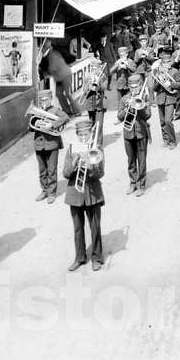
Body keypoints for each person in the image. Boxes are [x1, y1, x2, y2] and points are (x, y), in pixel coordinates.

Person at [63, 116, 105, 271]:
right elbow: (65, 174)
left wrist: (91, 166)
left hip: (92, 193)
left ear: (90, 135)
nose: (82, 138)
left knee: (95, 226)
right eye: (80, 135)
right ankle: (79, 257)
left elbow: (101, 173)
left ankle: (97, 257)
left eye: (85, 135)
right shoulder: (72, 149)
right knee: (77, 228)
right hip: (75, 193)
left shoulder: (97, 149)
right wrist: (74, 163)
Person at [32, 93, 67, 203]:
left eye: (46, 99)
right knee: (42, 170)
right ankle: (44, 190)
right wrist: (35, 122)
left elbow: (66, 117)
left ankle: (52, 193)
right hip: (39, 144)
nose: (44, 102)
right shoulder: (36, 112)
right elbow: (30, 127)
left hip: (52, 143)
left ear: (50, 99)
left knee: (51, 170)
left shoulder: (56, 110)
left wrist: (52, 125)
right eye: (41, 100)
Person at [151, 47, 180, 149]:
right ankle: (166, 140)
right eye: (164, 63)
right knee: (162, 121)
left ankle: (172, 141)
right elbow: (154, 88)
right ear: (161, 63)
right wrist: (159, 83)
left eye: (168, 62)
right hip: (160, 98)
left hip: (170, 98)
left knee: (168, 121)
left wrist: (170, 84)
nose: (166, 65)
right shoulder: (157, 72)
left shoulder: (175, 71)